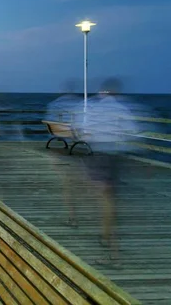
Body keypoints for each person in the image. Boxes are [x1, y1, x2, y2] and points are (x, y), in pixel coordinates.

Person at [82, 78, 139, 266]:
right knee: (109, 198)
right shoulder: (123, 109)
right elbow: (132, 131)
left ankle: (113, 252)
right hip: (116, 156)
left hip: (100, 155)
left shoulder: (95, 108)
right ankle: (108, 238)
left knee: (106, 200)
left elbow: (85, 133)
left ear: (103, 92)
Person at [45, 81, 83, 227]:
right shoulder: (79, 104)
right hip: (73, 136)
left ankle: (72, 216)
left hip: (58, 134)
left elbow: (51, 117)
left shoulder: (55, 103)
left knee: (67, 181)